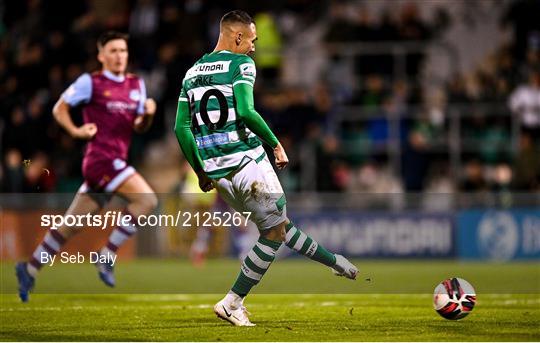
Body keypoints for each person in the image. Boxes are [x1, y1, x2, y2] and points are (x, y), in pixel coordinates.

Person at [174, 10, 358, 326]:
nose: (255, 48)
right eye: (253, 40)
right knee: (274, 231)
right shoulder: (241, 64)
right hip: (247, 162)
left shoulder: (191, 73)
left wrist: (201, 172)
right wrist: (275, 143)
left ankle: (335, 263)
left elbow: (181, 129)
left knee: (276, 226)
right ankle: (232, 301)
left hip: (219, 175)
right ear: (237, 37)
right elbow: (246, 111)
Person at [16, 31, 158, 302]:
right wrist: (77, 131)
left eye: (123, 51)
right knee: (148, 200)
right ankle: (107, 255)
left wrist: (148, 114)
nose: (119, 56)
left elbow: (139, 126)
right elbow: (60, 108)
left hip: (116, 162)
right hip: (100, 160)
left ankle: (29, 268)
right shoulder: (90, 82)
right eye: (113, 51)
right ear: (101, 55)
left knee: (70, 226)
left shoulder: (136, 85)